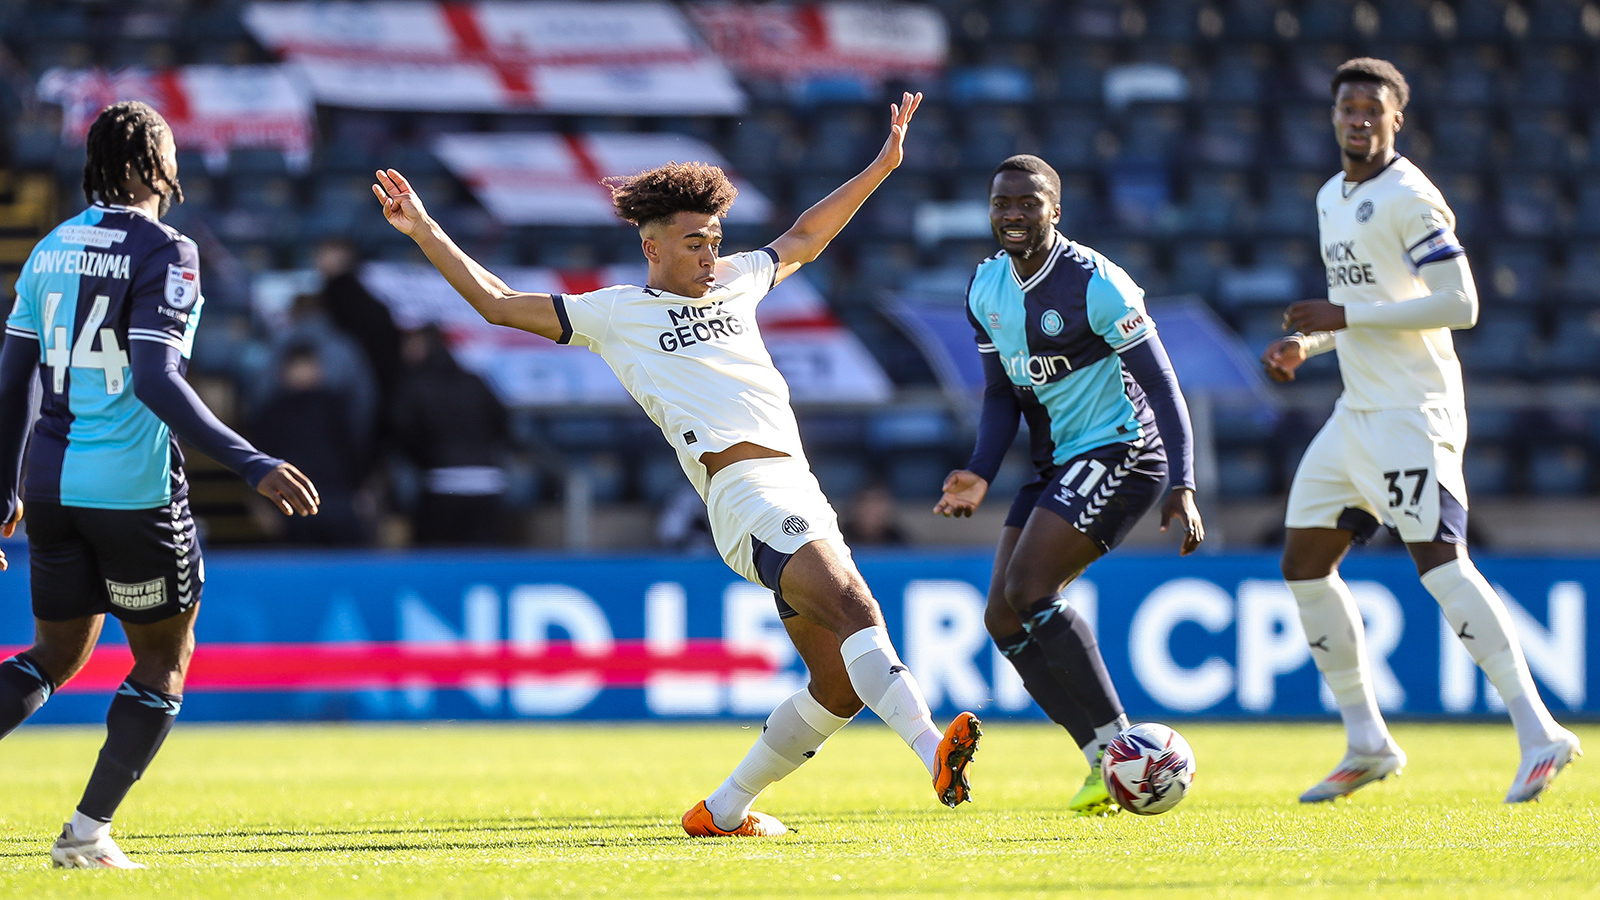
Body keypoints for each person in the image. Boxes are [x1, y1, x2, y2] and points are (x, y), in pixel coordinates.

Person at [373, 92, 981, 837]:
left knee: (836, 686)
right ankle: (930, 751)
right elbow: (498, 302)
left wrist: (882, 166)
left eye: (716, 239)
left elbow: (804, 237)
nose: (710, 254)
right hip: (743, 491)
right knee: (857, 606)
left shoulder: (736, 282)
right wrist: (425, 228)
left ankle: (723, 811)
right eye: (694, 241)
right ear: (652, 246)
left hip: (800, 488)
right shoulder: (616, 312)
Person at [0, 101, 319, 868]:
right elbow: (154, 376)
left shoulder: (49, 248)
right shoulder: (167, 248)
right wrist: (250, 462)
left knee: (52, 656)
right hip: (131, 491)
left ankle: (87, 835)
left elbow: (13, 383)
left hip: (49, 483)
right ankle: (85, 835)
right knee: (162, 664)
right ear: (153, 164)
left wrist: (2, 493)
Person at [1260, 59, 1581, 803]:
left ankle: (1540, 732)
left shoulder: (1410, 196)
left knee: (1441, 566)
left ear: (1396, 119)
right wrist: (1310, 346)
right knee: (1304, 562)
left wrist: (1341, 318)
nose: (1358, 119)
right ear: (1333, 116)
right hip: (1356, 413)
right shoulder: (1331, 197)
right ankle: (1367, 740)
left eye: (1373, 108)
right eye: (1347, 107)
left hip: (1413, 412)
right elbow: (1372, 304)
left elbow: (1460, 302)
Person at [934, 154, 1205, 817]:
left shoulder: (1098, 284)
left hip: (1124, 450)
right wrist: (980, 471)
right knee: (1001, 615)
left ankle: (1125, 748)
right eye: (1002, 204)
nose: (1013, 215)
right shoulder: (985, 288)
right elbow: (1001, 397)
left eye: (1028, 203)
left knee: (1030, 589)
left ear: (1056, 210)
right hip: (1056, 462)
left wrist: (1185, 483)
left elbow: (1165, 386)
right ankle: (1099, 763)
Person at [389, 325, 510, 546]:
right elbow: (503, 424)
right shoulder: (474, 380)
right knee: (480, 563)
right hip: (488, 481)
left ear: (422, 345)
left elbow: (404, 433)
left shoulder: (414, 385)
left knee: (437, 565)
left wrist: (427, 462)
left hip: (441, 483)